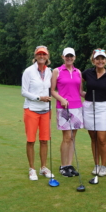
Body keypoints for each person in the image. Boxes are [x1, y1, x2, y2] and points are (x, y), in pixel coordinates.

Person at [21, 45, 54, 181]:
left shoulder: (50, 72)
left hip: (46, 111)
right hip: (31, 110)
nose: (41, 56)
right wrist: (39, 98)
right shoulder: (28, 71)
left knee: (44, 140)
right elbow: (24, 91)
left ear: (47, 56)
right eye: (39, 54)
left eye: (44, 54)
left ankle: (43, 167)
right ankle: (32, 169)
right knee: (31, 140)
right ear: (35, 56)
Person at [51, 47, 85, 177]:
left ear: (75, 57)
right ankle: (63, 166)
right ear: (63, 57)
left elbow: (80, 91)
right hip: (63, 107)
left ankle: (69, 165)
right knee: (66, 137)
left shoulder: (78, 72)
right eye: (67, 56)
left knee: (73, 137)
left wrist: (96, 95)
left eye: (71, 56)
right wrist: (61, 99)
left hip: (77, 107)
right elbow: (52, 90)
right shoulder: (57, 71)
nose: (69, 58)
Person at [82, 49, 106, 177]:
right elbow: (75, 81)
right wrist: (81, 93)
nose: (100, 61)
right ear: (93, 60)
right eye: (97, 59)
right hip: (89, 107)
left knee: (102, 139)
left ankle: (104, 165)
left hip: (103, 108)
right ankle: (96, 164)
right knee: (93, 138)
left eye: (102, 59)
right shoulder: (87, 73)